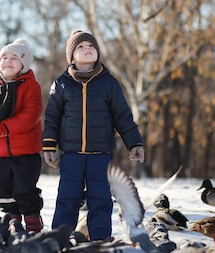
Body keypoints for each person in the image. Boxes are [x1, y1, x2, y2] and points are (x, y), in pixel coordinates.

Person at [42, 30, 144, 240]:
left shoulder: (108, 83)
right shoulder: (61, 84)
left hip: (101, 155)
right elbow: (52, 118)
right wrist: (49, 147)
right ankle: (58, 242)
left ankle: (99, 242)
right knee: (67, 198)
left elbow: (122, 116)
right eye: (80, 47)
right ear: (71, 56)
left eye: (91, 46)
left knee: (101, 199)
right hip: (71, 155)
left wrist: (134, 143)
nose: (87, 49)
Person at [0, 38, 45, 233]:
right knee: (4, 192)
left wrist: (5, 128)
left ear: (24, 64)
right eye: (4, 57)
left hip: (26, 151)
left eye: (14, 57)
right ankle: (12, 223)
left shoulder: (31, 86)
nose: (7, 61)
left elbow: (31, 114)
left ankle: (33, 223)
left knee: (25, 190)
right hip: (1, 152)